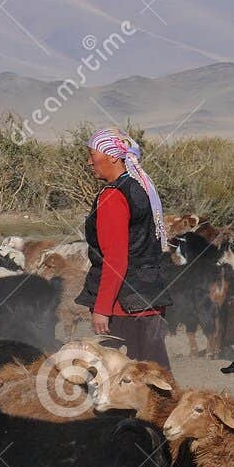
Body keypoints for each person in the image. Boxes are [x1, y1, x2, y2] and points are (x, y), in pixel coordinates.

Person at [77, 127, 172, 368]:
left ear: (111, 156)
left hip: (124, 306)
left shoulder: (113, 196)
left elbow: (115, 259)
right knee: (156, 375)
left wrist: (102, 308)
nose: (89, 162)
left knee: (118, 382)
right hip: (148, 297)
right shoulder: (139, 188)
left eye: (92, 154)